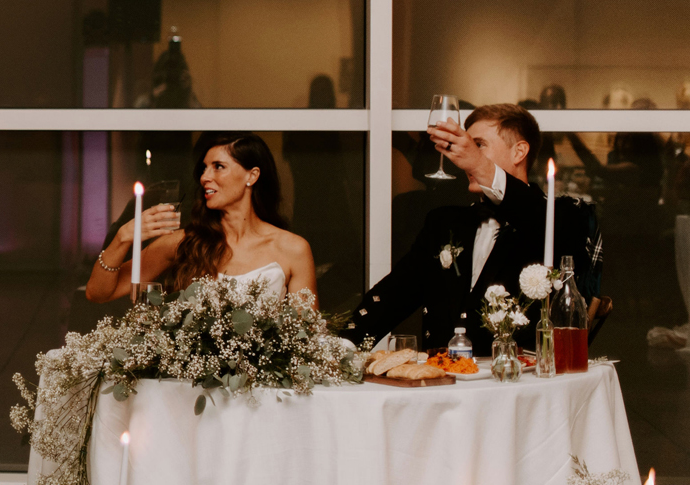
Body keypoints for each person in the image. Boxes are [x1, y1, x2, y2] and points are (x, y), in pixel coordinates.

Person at [345, 103, 601, 354]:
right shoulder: (444, 223)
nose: (464, 159)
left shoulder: (563, 216)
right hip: (442, 377)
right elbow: (395, 294)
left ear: (519, 152)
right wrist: (341, 347)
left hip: (518, 378)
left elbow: (536, 214)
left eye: (478, 145)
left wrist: (479, 164)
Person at [86, 133, 317, 305]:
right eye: (204, 168)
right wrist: (124, 236)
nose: (205, 177)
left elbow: (306, 339)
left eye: (218, 167)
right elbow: (98, 293)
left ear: (252, 175)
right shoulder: (185, 242)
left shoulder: (293, 249)